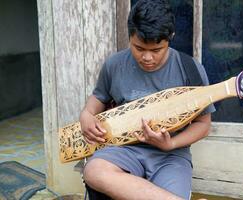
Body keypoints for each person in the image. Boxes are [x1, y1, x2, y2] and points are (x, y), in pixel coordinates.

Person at [80, 0, 215, 199]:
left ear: (171, 38)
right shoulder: (114, 65)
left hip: (171, 156)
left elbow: (203, 125)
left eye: (156, 50)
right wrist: (86, 115)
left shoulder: (190, 70)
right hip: (123, 150)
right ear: (130, 37)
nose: (147, 58)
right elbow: (97, 99)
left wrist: (170, 144)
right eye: (139, 48)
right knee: (94, 171)